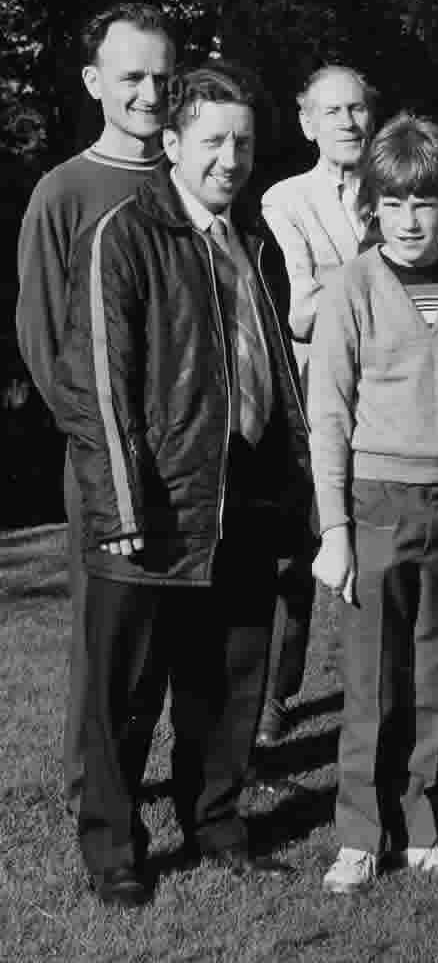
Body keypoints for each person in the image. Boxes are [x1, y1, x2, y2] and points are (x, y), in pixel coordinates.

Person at [54, 62, 313, 907]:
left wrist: (297, 490)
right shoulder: (126, 236)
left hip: (243, 498)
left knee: (230, 681)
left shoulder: (254, 244)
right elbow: (98, 382)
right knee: (125, 695)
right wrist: (122, 505)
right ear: (171, 144)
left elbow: (272, 374)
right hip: (154, 505)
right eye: (211, 141)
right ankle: (115, 850)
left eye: (242, 141)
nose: (229, 158)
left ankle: (218, 825)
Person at [310, 112, 438, 894]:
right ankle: (361, 834)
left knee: (432, 674)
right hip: (373, 504)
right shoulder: (351, 287)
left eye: (423, 203)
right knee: (371, 679)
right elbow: (328, 413)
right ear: (372, 208)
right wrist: (333, 527)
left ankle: (420, 825)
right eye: (391, 204)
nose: (407, 220)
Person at [14, 2, 175, 816]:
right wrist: (100, 451)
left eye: (161, 77)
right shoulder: (65, 191)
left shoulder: (194, 180)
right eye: (131, 77)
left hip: (188, 457)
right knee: (105, 641)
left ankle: (150, 774)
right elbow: (43, 341)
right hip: (104, 459)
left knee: (165, 640)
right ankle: (95, 790)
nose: (150, 93)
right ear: (94, 82)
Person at [255, 65, 375, 746]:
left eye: (357, 109)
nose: (348, 122)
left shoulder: (398, 189)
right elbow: (300, 313)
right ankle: (274, 692)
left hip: (386, 397)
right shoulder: (284, 199)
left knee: (380, 543)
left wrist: (338, 281)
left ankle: (377, 689)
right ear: (307, 122)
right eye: (332, 112)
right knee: (296, 548)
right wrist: (374, 275)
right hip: (311, 399)